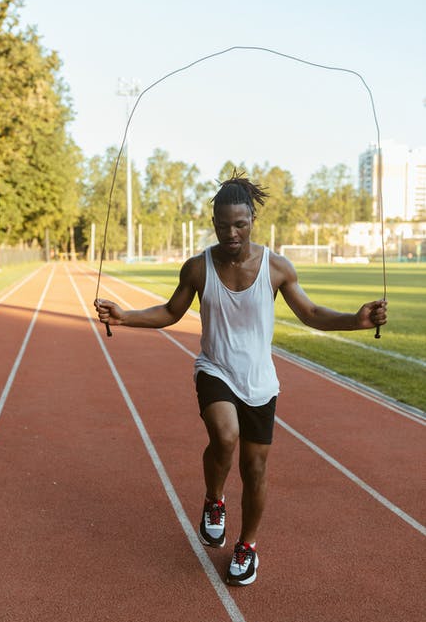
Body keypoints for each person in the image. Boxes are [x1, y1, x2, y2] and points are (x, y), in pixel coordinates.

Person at [94, 174, 387, 587]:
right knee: (225, 435)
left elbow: (312, 314)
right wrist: (125, 316)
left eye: (239, 225)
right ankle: (215, 501)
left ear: (252, 220)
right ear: (212, 222)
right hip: (214, 369)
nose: (230, 233)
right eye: (222, 225)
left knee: (255, 469)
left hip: (260, 382)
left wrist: (356, 321)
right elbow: (170, 312)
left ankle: (247, 546)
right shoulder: (198, 267)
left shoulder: (277, 268)